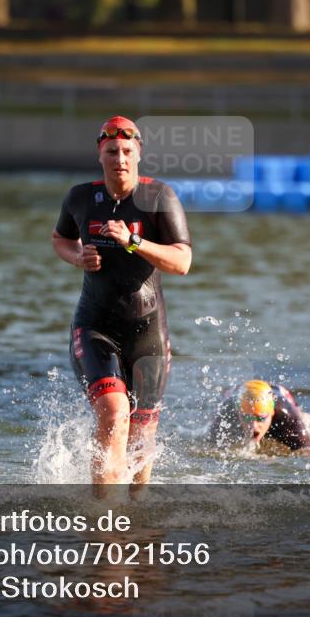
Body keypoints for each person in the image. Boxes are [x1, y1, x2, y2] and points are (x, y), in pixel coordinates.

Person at [51, 116, 192, 488]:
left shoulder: (159, 197)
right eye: (112, 151)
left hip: (147, 332)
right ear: (100, 154)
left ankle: (135, 518)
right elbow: (60, 239)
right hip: (95, 323)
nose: (120, 159)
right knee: (114, 413)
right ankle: (103, 519)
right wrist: (77, 255)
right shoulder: (80, 198)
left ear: (139, 154)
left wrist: (134, 242)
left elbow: (182, 262)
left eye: (127, 151)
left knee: (141, 438)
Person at [209, 380, 310, 453]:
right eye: (247, 417)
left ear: (272, 412)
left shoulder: (286, 413)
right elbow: (211, 448)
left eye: (260, 418)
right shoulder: (226, 412)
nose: (254, 426)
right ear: (239, 413)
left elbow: (309, 452)